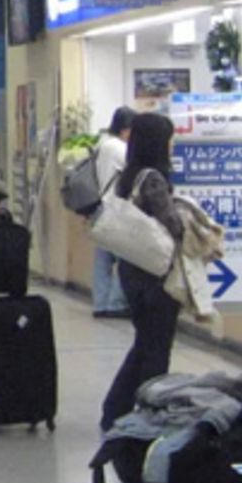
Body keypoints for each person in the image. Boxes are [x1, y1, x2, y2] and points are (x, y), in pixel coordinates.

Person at [100, 113, 186, 431]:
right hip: (155, 274)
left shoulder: (128, 176)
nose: (172, 145)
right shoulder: (153, 179)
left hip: (132, 271)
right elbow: (171, 223)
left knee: (144, 342)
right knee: (157, 348)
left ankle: (115, 408)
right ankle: (150, 411)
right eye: (169, 139)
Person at [91, 107, 136, 317]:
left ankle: (100, 303)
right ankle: (116, 303)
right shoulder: (120, 148)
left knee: (102, 261)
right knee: (125, 257)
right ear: (126, 129)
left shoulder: (102, 145)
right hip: (116, 210)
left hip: (101, 208)